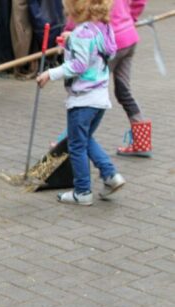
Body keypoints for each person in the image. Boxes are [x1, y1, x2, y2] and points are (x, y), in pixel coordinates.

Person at [36, 0, 126, 205]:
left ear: (76, 9)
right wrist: (70, 41)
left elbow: (78, 65)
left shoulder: (81, 33)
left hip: (82, 100)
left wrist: (51, 73)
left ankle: (83, 191)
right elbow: (100, 52)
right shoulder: (104, 28)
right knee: (84, 139)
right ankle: (111, 175)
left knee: (76, 145)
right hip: (100, 98)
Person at [64, 0, 150, 157]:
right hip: (128, 36)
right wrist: (131, 18)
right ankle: (142, 142)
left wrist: (69, 33)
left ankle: (68, 139)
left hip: (107, 40)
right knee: (123, 91)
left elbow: (79, 8)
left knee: (86, 89)